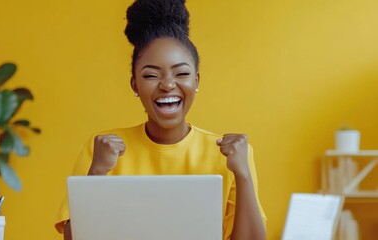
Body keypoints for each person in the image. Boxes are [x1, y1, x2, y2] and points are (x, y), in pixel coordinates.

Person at [55, 0, 267, 239]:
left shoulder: (232, 154)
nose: (167, 85)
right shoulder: (101, 149)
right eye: (151, 75)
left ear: (196, 81)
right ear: (135, 85)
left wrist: (243, 175)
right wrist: (97, 173)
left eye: (182, 73)